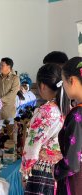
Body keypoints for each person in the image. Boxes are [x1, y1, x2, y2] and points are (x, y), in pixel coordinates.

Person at [21, 63, 70, 195]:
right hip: (60, 170)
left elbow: (32, 145)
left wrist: (25, 171)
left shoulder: (45, 111)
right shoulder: (67, 109)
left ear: (42, 85)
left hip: (42, 171)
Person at [53, 57, 82, 195]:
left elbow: (72, 163)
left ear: (72, 81)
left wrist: (56, 170)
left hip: (75, 184)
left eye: (63, 82)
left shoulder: (77, 115)